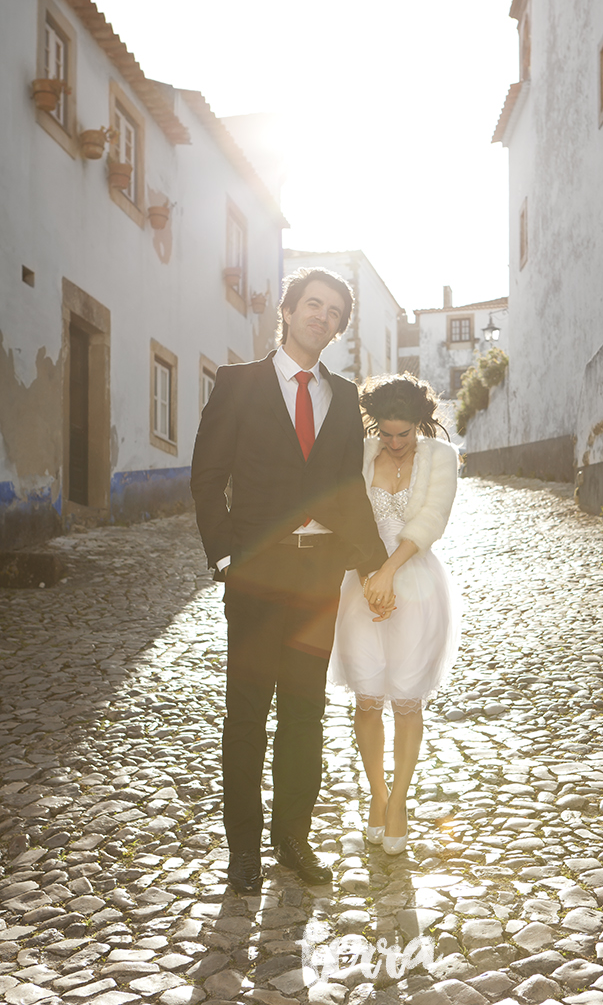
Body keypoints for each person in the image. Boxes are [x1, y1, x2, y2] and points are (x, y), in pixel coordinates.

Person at [191, 267, 387, 896]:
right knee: (247, 712)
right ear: (287, 308)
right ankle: (243, 850)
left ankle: (292, 842)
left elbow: (348, 490)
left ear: (338, 328)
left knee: (304, 712)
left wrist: (375, 563)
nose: (321, 316)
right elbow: (207, 477)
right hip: (256, 574)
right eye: (313, 304)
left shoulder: (343, 394)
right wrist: (225, 559)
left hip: (316, 576)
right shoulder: (238, 384)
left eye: (333, 311)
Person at [329, 374, 460, 855]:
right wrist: (370, 575)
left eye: (404, 433)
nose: (395, 443)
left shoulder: (441, 458)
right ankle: (377, 794)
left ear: (420, 425)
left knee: (406, 700)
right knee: (366, 698)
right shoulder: (362, 453)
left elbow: (431, 519)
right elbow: (345, 511)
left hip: (416, 585)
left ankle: (400, 799)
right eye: (387, 433)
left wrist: (387, 573)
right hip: (360, 585)